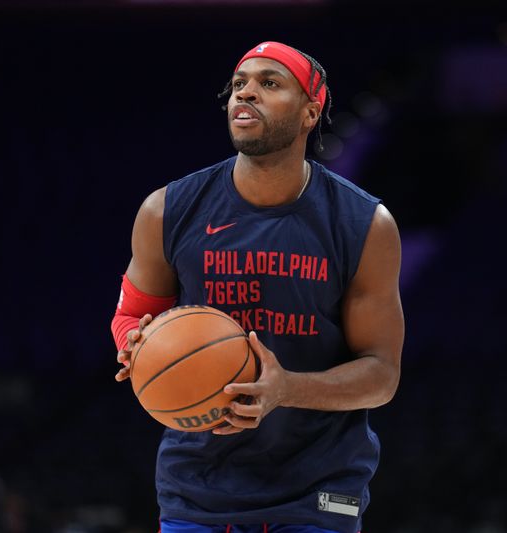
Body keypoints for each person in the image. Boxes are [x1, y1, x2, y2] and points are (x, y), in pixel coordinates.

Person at [110, 40, 404, 533]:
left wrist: (285, 389)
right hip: (197, 484)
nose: (245, 94)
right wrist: (134, 345)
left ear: (311, 112)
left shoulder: (364, 224)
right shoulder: (167, 210)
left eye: (269, 83)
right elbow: (127, 318)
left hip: (319, 487)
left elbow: (381, 376)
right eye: (239, 85)